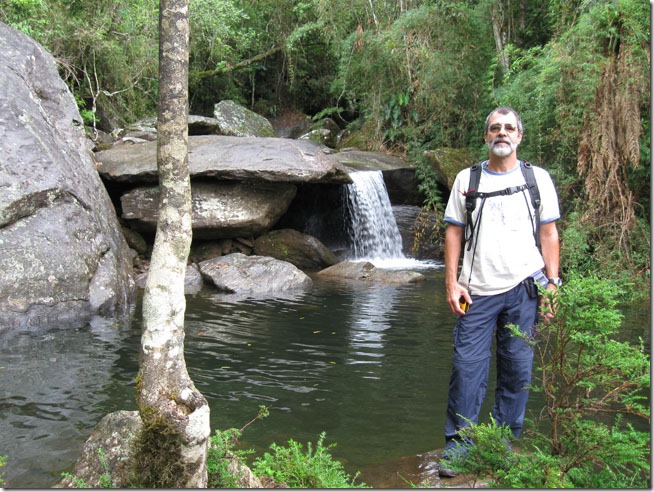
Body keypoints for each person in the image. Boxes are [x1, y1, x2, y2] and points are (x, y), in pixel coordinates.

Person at [439, 106, 561, 477]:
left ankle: (501, 442)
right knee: (467, 369)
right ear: (486, 137)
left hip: (526, 287)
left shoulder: (537, 179)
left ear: (519, 136)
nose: (502, 133)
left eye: (509, 128)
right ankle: (459, 445)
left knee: (517, 370)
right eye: (495, 128)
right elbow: (453, 232)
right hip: (476, 291)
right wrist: (451, 281)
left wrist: (553, 284)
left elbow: (549, 234)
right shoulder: (467, 179)